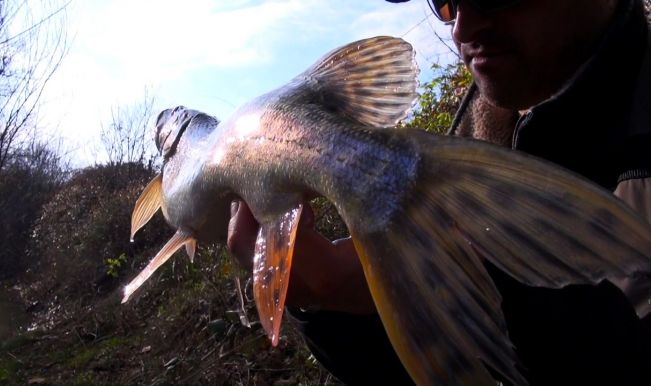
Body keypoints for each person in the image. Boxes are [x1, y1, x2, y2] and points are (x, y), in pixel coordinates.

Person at [227, 0, 651, 384]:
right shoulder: (469, 139)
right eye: (447, 2)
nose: (462, 30)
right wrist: (333, 303)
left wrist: (452, 293)